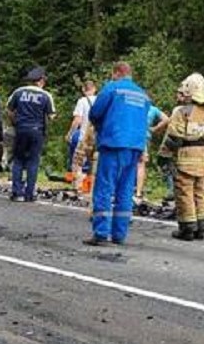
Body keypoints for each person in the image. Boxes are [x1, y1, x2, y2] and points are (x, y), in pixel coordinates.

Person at [84, 62, 152, 246]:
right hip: (135, 145)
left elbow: (95, 113)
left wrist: (99, 127)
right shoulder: (143, 94)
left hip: (114, 142)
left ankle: (101, 233)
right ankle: (119, 235)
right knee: (125, 190)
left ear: (116, 73)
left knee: (105, 188)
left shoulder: (112, 88)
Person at [160, 73, 204, 240]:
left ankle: (187, 228)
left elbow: (174, 137)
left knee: (184, 191)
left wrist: (164, 155)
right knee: (200, 191)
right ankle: (201, 226)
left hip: (188, 156)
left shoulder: (184, 111)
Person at [6, 66, 55, 201]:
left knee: (18, 160)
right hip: (36, 130)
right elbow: (51, 116)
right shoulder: (46, 95)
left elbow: (9, 110)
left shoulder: (19, 92)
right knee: (33, 162)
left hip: (21, 129)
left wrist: (15, 122)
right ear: (40, 81)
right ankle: (29, 194)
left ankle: (17, 192)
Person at [135, 103, 170, 203]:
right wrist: (154, 128)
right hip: (145, 137)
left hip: (131, 136)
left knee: (129, 163)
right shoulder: (153, 109)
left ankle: (126, 190)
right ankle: (138, 192)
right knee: (141, 165)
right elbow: (167, 119)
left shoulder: (136, 106)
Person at [66, 79, 96, 175]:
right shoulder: (100, 100)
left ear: (83, 89)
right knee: (93, 162)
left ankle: (78, 186)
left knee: (78, 162)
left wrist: (70, 134)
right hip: (98, 137)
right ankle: (90, 185)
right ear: (94, 89)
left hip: (84, 137)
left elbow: (77, 120)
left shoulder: (82, 101)